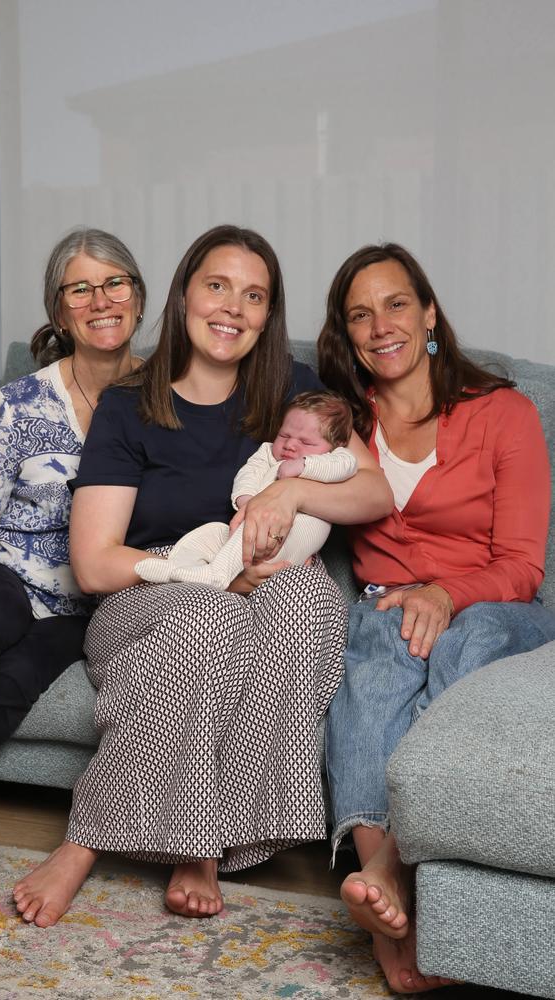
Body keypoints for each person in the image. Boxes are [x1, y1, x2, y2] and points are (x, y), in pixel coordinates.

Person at [11, 224, 393, 928]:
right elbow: (96, 563)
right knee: (207, 614)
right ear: (186, 292)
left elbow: (374, 493)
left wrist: (291, 492)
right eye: (217, 286)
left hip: (246, 597)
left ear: (268, 315)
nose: (233, 308)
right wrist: (202, 576)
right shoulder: (130, 404)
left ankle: (205, 838)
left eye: (254, 296)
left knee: (310, 595)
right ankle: (84, 838)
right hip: (145, 604)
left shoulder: (292, 390)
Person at [318, 242, 555, 994]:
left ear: (427, 314)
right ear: (347, 335)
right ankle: (389, 904)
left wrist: (446, 596)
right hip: (386, 603)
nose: (379, 324)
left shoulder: (504, 414)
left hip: (494, 606)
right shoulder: (342, 424)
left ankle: (389, 865)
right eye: (360, 314)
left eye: (394, 304)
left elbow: (522, 564)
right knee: (372, 664)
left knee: (465, 649)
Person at [0, 226, 146, 826]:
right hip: (6, 576)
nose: (101, 301)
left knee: (8, 688)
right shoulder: (18, 403)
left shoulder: (164, 401)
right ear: (60, 313)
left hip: (85, 604)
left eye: (114, 283)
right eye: (80, 290)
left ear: (138, 298)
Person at [134, 389, 357, 590]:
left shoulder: (335, 458)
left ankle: (216, 575)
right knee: (211, 532)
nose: (290, 445)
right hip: (248, 532)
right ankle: (177, 569)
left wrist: (305, 465)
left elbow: (347, 465)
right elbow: (249, 472)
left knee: (254, 526)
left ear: (335, 445)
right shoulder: (268, 453)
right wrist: (247, 500)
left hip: (293, 536)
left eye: (306, 443)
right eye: (285, 436)